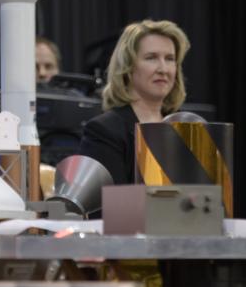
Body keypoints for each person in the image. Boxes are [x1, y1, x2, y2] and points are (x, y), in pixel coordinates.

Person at [74, 19, 189, 183]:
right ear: (128, 67)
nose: (163, 69)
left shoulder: (186, 128)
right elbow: (108, 205)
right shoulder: (104, 131)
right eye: (151, 58)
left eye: (170, 59)